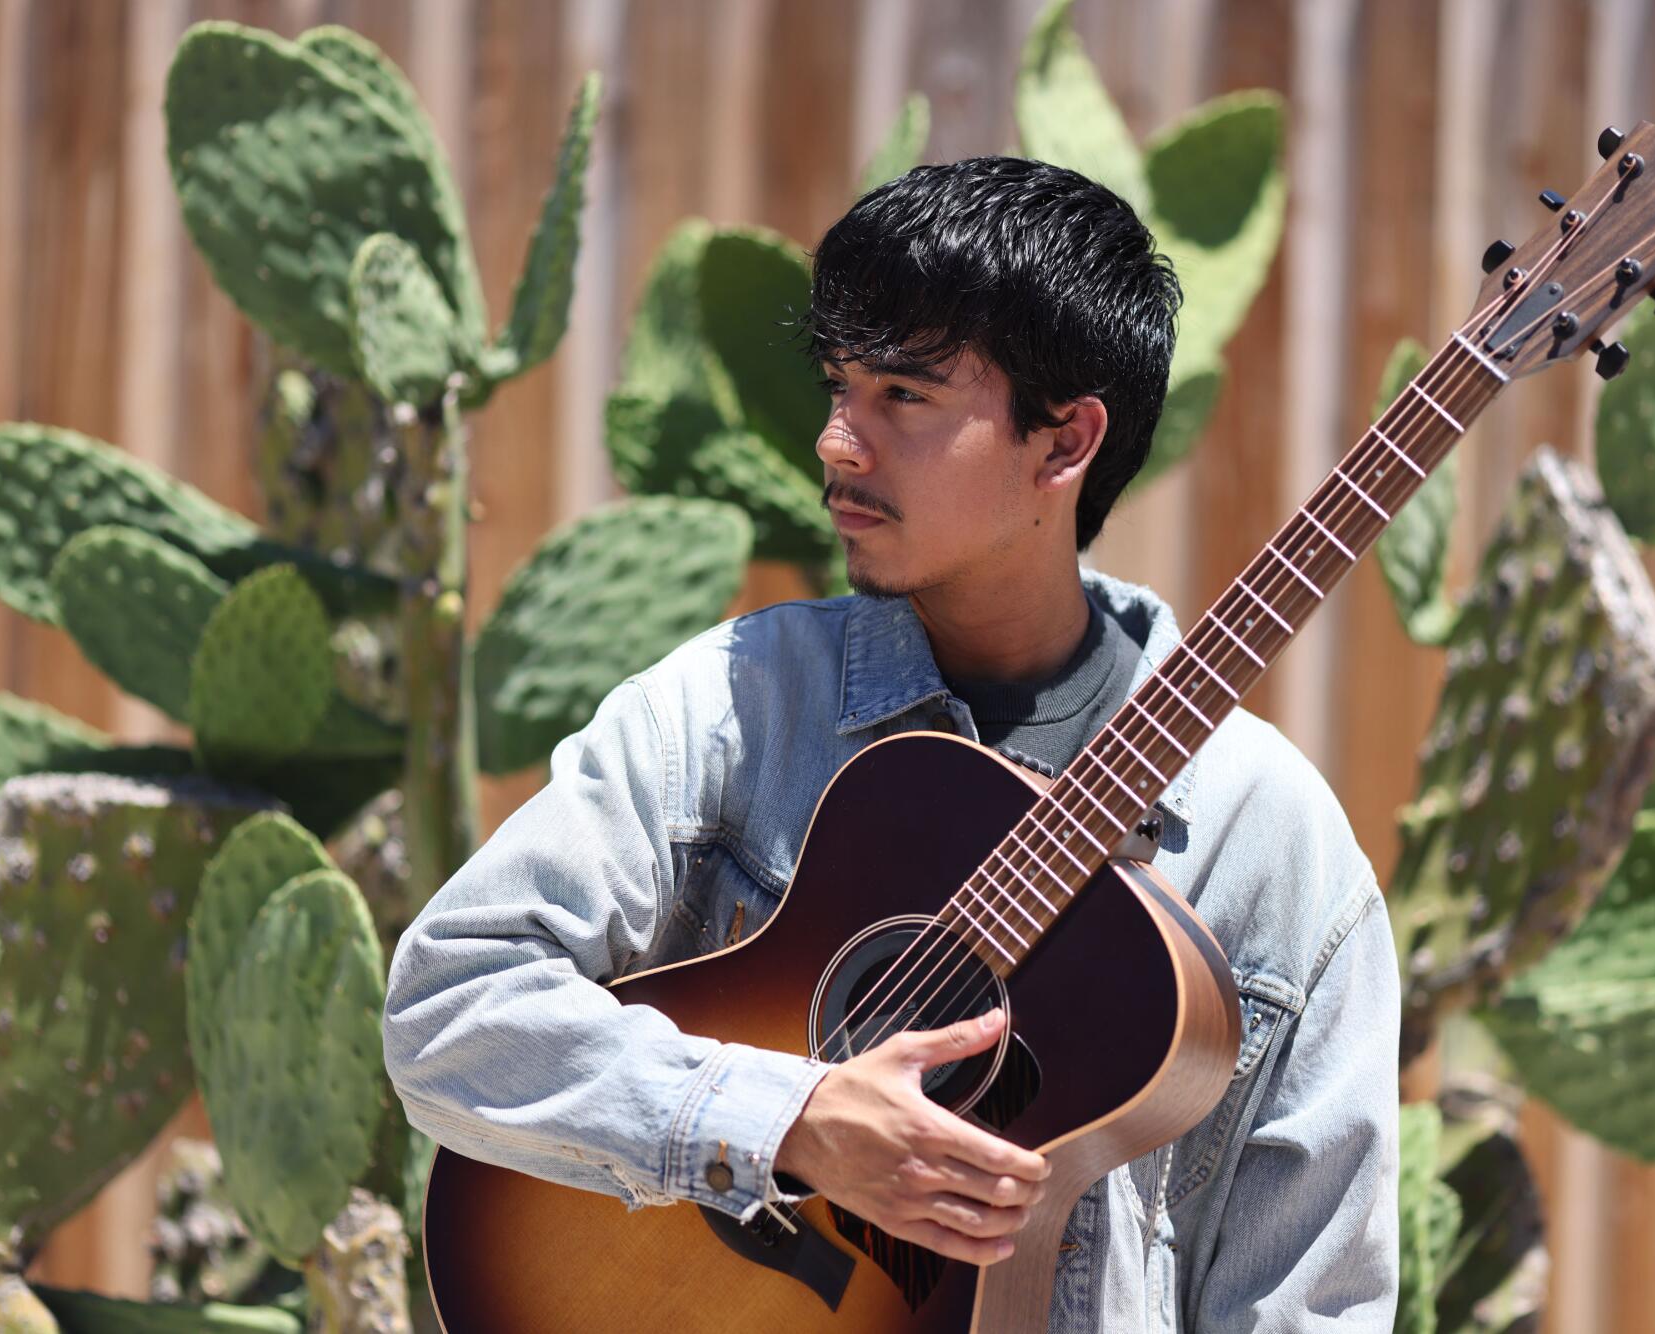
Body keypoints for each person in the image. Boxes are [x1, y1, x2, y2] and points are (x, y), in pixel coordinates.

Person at [383, 154, 1400, 1331]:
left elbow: (1309, 1300)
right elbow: (446, 1003)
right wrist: (785, 1119)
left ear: (1063, 440)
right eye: (837, 386)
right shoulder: (732, 704)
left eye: (902, 397)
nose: (834, 442)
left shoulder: (1267, 841)